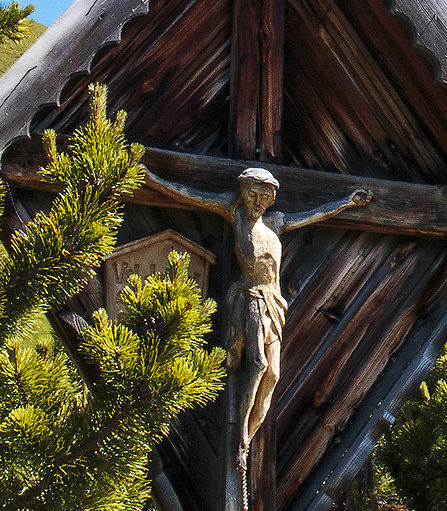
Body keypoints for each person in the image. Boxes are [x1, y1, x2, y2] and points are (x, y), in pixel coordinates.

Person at [138, 164, 370, 465]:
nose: (257, 201)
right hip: (250, 299)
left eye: (264, 196)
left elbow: (314, 215)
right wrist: (151, 178)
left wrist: (346, 203)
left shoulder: (275, 222)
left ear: (272, 199)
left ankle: (249, 437)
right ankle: (241, 442)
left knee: (273, 374)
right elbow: (189, 195)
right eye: (253, 194)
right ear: (243, 193)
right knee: (258, 365)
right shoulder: (233, 211)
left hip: (273, 302)